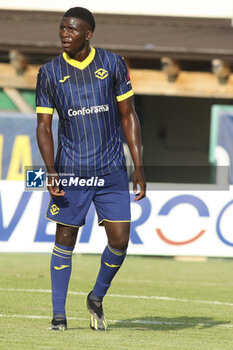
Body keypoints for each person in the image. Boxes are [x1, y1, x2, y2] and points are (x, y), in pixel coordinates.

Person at [36, 6, 146, 331]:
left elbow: (128, 116)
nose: (64, 35)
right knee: (66, 237)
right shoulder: (49, 72)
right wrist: (51, 169)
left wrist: (138, 165)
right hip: (72, 170)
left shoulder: (112, 63)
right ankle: (59, 315)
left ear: (88, 33)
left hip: (112, 168)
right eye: (62, 29)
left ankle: (96, 296)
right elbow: (43, 125)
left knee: (121, 240)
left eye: (71, 30)